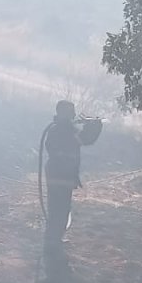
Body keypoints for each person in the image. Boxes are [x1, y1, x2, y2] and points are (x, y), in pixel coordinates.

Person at [41, 100, 102, 248]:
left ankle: (55, 238)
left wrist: (92, 125)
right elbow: (85, 139)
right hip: (60, 174)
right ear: (63, 113)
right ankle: (53, 240)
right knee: (59, 207)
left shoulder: (61, 129)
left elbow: (81, 140)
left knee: (60, 207)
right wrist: (94, 126)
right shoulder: (62, 130)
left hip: (60, 173)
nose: (74, 115)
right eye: (71, 112)